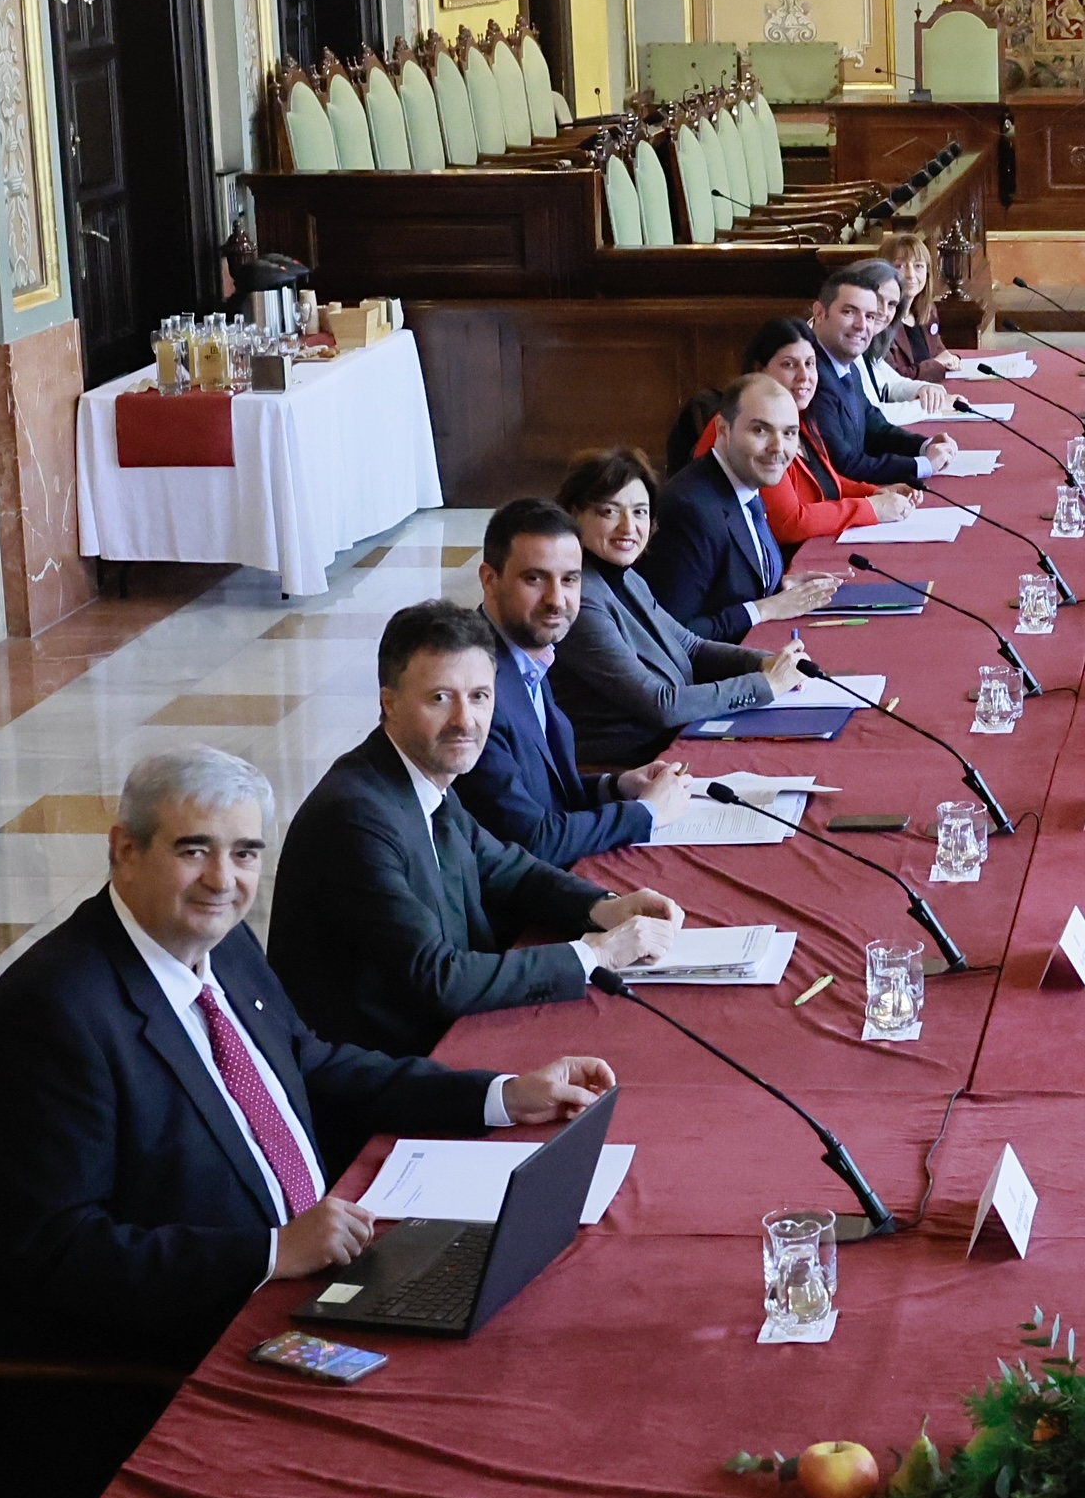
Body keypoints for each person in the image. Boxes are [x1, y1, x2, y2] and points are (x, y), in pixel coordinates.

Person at [0, 746, 620, 1498]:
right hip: (169, 1364)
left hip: (305, 1283)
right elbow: (59, 1255)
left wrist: (500, 1094)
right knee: (452, 1479)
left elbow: (309, 1062)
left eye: (244, 853)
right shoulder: (54, 1015)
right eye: (193, 849)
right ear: (124, 849)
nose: (222, 880)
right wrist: (270, 1251)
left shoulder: (221, 944)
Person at [268, 601, 683, 1058]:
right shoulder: (356, 816)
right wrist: (596, 954)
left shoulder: (421, 776)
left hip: (440, 1033)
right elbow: (439, 978)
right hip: (389, 1066)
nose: (465, 721)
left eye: (480, 697)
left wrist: (605, 907)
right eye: (440, 698)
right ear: (390, 703)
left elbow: (510, 870)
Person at [460, 497, 696, 868]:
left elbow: (545, 795)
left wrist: (616, 786)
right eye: (534, 579)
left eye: (569, 579)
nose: (557, 600)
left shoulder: (529, 654)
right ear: (490, 580)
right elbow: (532, 839)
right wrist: (647, 813)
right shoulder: (473, 688)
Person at [557, 448, 804, 767]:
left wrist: (765, 662)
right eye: (609, 512)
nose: (628, 527)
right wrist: (766, 684)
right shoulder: (579, 600)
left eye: (640, 512)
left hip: (670, 741)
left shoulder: (625, 577)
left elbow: (691, 647)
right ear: (574, 515)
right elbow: (660, 704)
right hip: (628, 766)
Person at [642, 372, 845, 641]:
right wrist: (764, 608)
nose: (778, 447)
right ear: (723, 430)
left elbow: (725, 588)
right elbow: (670, 635)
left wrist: (778, 587)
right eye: (760, 430)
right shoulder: (691, 510)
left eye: (789, 433)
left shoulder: (745, 482)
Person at [697, 321, 927, 549]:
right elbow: (789, 522)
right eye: (789, 365)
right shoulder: (744, 425)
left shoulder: (801, 415)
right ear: (759, 369)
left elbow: (826, 481)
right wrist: (872, 508)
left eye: (810, 363)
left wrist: (876, 492)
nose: (804, 376)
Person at [809, 260, 959, 457]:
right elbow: (871, 415)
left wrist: (926, 390)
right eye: (878, 300)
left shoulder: (866, 338)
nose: (883, 312)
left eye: (892, 305)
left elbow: (891, 382)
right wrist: (929, 407)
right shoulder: (837, 343)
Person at [874, 229, 951, 382]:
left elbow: (938, 350)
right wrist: (936, 364)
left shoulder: (927, 310)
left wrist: (948, 358)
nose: (910, 275)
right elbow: (894, 379)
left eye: (918, 266)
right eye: (900, 266)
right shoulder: (880, 319)